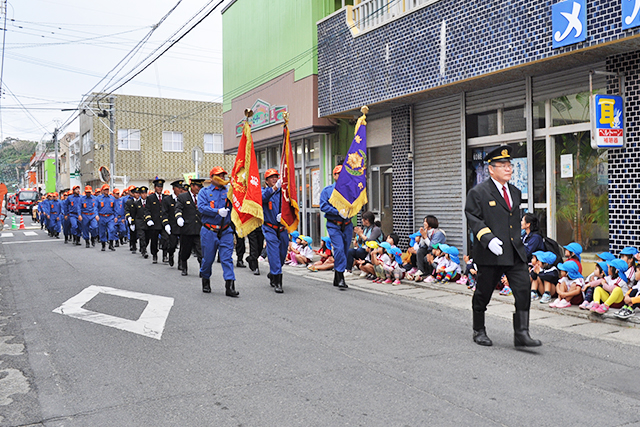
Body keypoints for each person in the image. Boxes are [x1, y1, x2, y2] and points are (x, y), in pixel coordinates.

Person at [464, 145, 541, 347]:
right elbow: (473, 217)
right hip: (491, 253)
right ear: (491, 169)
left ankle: (522, 333)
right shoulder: (479, 192)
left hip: (514, 252)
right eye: (503, 165)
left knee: (524, 289)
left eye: (510, 165)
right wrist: (488, 239)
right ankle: (478, 329)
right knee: (483, 292)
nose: (508, 169)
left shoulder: (515, 192)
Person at [196, 168, 238, 297]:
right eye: (219, 175)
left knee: (227, 258)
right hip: (209, 230)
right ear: (212, 177)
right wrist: (217, 211)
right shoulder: (204, 192)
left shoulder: (228, 192)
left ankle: (230, 286)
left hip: (225, 230)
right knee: (208, 259)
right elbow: (201, 207)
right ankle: (206, 278)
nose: (222, 178)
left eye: (223, 176)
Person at [320, 165, 352, 290]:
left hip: (347, 224)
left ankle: (337, 277)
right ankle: (341, 277)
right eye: (338, 174)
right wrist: (337, 211)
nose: (340, 176)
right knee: (338, 249)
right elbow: (323, 206)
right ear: (334, 176)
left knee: (344, 250)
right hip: (334, 224)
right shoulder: (327, 191)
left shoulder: (350, 190)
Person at [261, 168, 290, 293]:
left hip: (282, 228)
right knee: (273, 253)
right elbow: (263, 198)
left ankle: (273, 272)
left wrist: (285, 215)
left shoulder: (284, 192)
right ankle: (278, 281)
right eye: (271, 178)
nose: (274, 179)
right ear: (266, 181)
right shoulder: (264, 191)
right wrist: (274, 189)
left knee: (282, 254)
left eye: (276, 177)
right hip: (270, 227)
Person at [175, 179, 203, 277]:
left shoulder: (202, 197)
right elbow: (178, 208)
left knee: (201, 252)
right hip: (187, 229)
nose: (199, 188)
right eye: (197, 186)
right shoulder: (183, 197)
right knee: (185, 250)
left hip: (199, 228)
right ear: (192, 186)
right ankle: (184, 267)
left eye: (200, 186)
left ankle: (202, 269)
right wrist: (179, 217)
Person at [409, 215, 446, 281]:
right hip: (428, 250)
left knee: (427, 258)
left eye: (425, 221)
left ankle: (429, 274)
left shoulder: (438, 233)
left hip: (437, 252)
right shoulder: (427, 232)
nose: (424, 223)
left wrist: (425, 236)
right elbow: (421, 246)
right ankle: (420, 270)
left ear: (430, 223)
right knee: (420, 251)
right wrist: (423, 237)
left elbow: (432, 246)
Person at [161, 180, 184, 268]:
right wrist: (166, 224)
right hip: (172, 226)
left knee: (183, 245)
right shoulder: (167, 200)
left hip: (182, 226)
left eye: (181, 188)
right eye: (179, 188)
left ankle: (181, 263)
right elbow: (164, 213)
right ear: (174, 189)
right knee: (172, 245)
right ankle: (170, 254)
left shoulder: (183, 199)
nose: (180, 190)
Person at [145, 178, 165, 264]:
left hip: (164, 222)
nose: (160, 189)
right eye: (158, 187)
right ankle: (154, 255)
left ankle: (165, 255)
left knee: (165, 239)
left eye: (161, 187)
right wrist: (149, 219)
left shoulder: (166, 198)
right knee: (154, 240)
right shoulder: (150, 198)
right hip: (154, 222)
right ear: (155, 187)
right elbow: (147, 210)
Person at [97, 184, 117, 251]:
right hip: (102, 217)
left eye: (107, 189)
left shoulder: (112, 198)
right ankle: (103, 245)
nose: (106, 191)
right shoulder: (99, 198)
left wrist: (116, 216)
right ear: (102, 190)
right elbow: (95, 208)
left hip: (110, 217)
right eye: (105, 189)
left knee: (111, 229)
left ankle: (111, 244)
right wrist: (96, 215)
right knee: (102, 231)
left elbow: (115, 208)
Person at [125, 187, 140, 253]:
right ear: (133, 194)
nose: (137, 194)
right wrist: (129, 218)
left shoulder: (141, 202)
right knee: (132, 234)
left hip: (140, 220)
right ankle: (133, 245)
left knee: (140, 235)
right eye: (136, 193)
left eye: (138, 193)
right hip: (132, 220)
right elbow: (127, 210)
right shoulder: (129, 202)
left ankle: (142, 247)